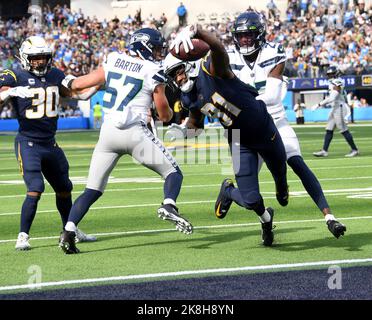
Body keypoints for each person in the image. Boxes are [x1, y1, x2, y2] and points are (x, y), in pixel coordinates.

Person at [59, 28, 193, 254]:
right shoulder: (152, 69)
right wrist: (169, 113)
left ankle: (69, 231)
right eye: (157, 48)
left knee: (92, 189)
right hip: (134, 133)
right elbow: (164, 114)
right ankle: (169, 204)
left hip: (108, 132)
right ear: (145, 46)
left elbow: (79, 84)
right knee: (173, 173)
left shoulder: (113, 59)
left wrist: (64, 79)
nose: (159, 53)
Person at [164, 24, 289, 247]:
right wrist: (182, 134)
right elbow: (196, 124)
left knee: (281, 177)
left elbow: (219, 49)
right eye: (174, 76)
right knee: (251, 199)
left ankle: (282, 187)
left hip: (263, 128)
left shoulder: (211, 69)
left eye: (179, 71)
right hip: (239, 138)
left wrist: (197, 31)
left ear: (190, 63)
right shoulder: (189, 98)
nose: (179, 78)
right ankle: (251, 208)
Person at [227, 11, 346, 238]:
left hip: (275, 121)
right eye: (240, 36)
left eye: (249, 35)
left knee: (298, 163)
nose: (244, 40)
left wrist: (244, 104)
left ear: (259, 35)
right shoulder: (228, 57)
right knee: (248, 196)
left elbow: (271, 96)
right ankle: (233, 194)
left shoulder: (273, 51)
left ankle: (329, 217)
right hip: (245, 132)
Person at [0, 36, 97, 250]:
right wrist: (11, 92)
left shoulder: (55, 74)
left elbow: (74, 93)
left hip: (50, 143)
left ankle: (69, 230)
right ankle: (23, 236)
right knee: (35, 188)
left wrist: (98, 85)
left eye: (43, 57)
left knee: (64, 188)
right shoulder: (13, 75)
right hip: (28, 142)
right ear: (26, 58)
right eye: (35, 58)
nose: (40, 62)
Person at [312, 66, 359, 158]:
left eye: (331, 74)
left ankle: (355, 150)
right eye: (328, 74)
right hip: (334, 108)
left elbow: (333, 97)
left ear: (336, 74)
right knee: (329, 129)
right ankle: (324, 151)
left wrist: (318, 104)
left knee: (343, 129)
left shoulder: (338, 81)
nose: (329, 76)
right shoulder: (332, 83)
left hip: (339, 107)